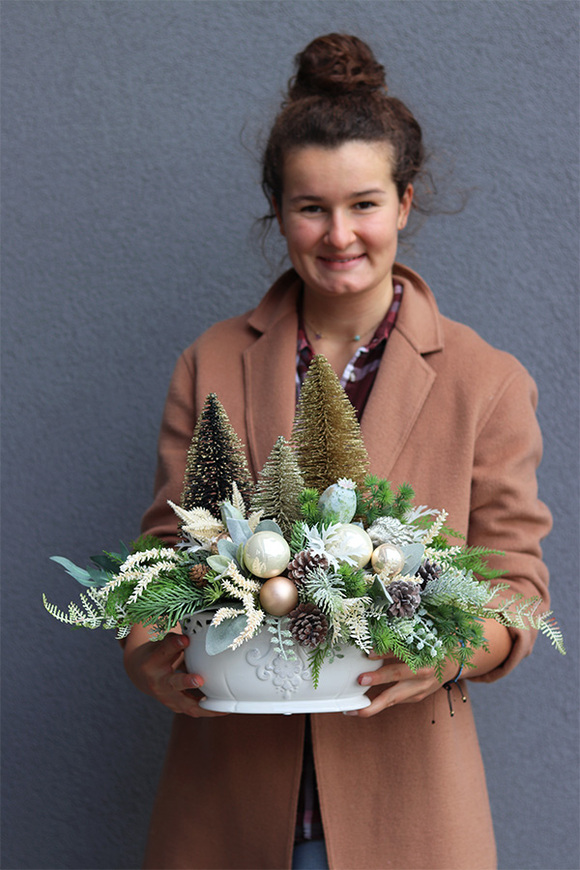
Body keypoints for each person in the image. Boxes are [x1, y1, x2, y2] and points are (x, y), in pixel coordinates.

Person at [122, 34, 551, 870]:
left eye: (363, 204)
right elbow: (161, 555)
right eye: (310, 207)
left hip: (409, 804)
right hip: (227, 804)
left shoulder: (484, 380)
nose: (339, 233)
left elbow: (515, 583)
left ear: (404, 203)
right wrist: (147, 661)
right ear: (278, 213)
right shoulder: (211, 361)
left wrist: (453, 650)